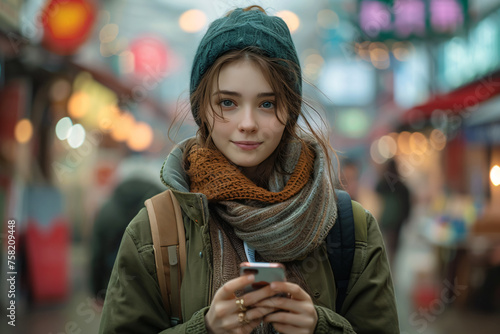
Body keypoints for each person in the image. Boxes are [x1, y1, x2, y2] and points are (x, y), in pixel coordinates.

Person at [99, 6, 399, 334]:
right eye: (227, 102)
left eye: (267, 104)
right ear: (203, 109)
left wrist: (320, 327)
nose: (247, 124)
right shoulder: (155, 232)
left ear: (290, 110)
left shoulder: (349, 229)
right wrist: (206, 329)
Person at [90, 177, 162, 304]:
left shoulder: (106, 211)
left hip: (115, 285)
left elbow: (97, 256)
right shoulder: (160, 208)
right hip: (152, 288)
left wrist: (97, 293)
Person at [375, 158, 412, 264]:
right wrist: (406, 218)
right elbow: (407, 206)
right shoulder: (402, 187)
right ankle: (392, 269)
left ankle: (384, 268)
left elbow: (376, 202)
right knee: (394, 249)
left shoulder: (381, 185)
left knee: (383, 245)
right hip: (397, 223)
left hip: (384, 221)